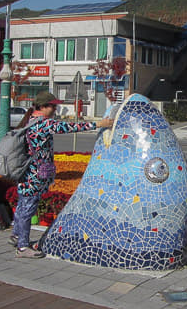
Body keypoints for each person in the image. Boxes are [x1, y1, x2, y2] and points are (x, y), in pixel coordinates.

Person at [10, 91, 114, 258]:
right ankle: (22, 247)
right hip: (34, 174)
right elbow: (70, 127)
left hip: (25, 173)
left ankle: (17, 235)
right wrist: (100, 124)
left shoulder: (29, 122)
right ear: (43, 107)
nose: (55, 109)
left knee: (23, 205)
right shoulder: (43, 124)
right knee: (28, 208)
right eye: (52, 106)